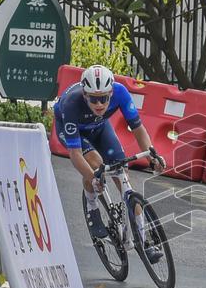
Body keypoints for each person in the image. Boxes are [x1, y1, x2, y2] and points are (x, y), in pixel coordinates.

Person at [54, 64, 166, 260]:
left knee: (122, 175)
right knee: (96, 164)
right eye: (94, 99)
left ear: (111, 92)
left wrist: (151, 155)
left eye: (104, 98)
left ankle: (143, 241)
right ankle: (92, 208)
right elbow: (75, 154)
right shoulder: (71, 104)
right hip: (74, 132)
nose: (99, 104)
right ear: (85, 95)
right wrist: (93, 177)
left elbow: (138, 129)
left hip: (99, 127)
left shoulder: (121, 93)